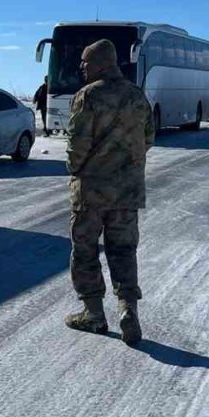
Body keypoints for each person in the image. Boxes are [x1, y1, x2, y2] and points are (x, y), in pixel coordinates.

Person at [64, 38, 155, 345]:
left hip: (91, 192)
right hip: (127, 192)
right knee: (123, 251)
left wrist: (75, 169)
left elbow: (77, 145)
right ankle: (128, 309)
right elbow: (149, 139)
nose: (82, 68)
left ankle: (93, 313)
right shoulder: (137, 97)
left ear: (102, 64)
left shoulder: (88, 96)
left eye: (86, 63)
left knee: (86, 250)